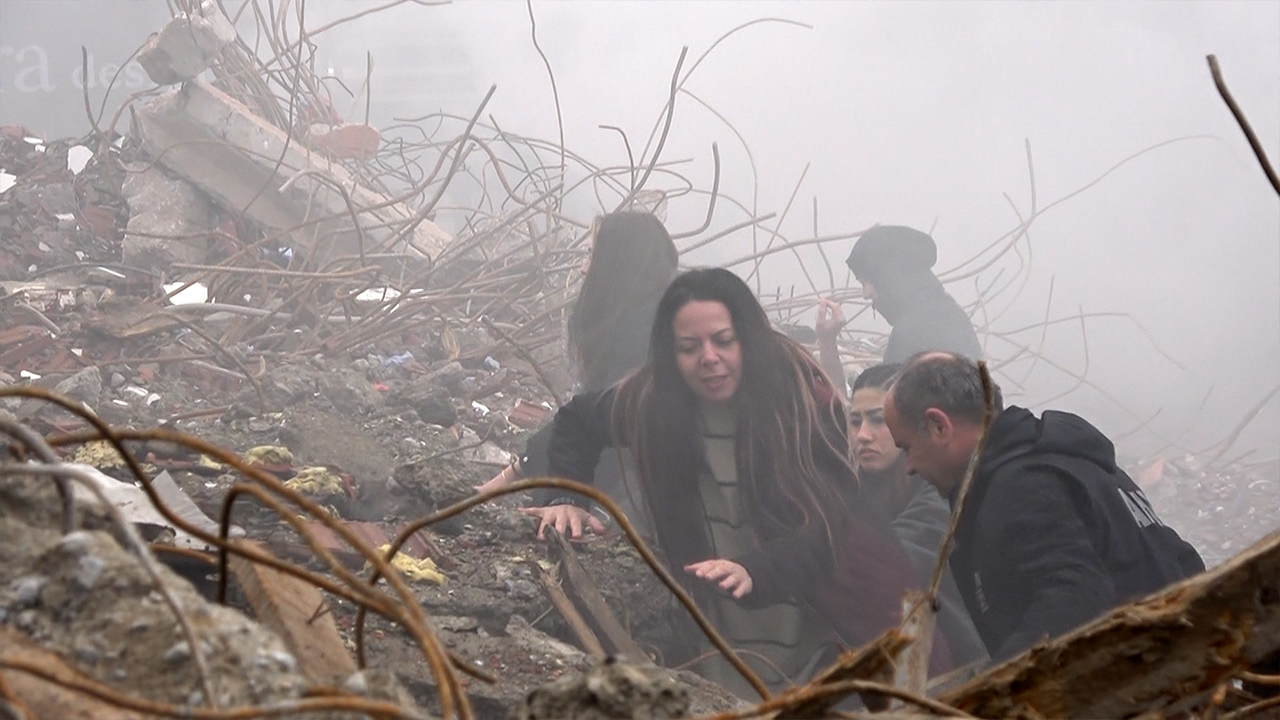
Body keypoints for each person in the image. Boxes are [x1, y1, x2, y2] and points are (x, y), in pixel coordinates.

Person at [529, 268, 934, 697]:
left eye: (723, 341)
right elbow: (577, 423)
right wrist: (567, 496)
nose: (709, 358)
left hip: (821, 633)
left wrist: (755, 571)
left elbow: (833, 527)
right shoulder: (653, 403)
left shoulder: (801, 406)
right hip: (712, 637)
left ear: (747, 338)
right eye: (689, 347)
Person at [882, 352, 1206, 662]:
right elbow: (1182, 559)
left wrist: (993, 696)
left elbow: (1072, 603)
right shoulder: (1076, 463)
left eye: (907, 447)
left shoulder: (1020, 489)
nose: (908, 467)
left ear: (939, 426)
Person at [478, 211, 678, 527]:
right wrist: (504, 481)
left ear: (616, 262)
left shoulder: (642, 334)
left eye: (590, 255)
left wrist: (596, 513)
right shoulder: (650, 318)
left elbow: (615, 437)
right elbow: (583, 416)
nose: (584, 267)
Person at [847, 363, 988, 668]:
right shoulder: (852, 488)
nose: (862, 435)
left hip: (954, 662)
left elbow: (903, 555)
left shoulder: (937, 486)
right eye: (854, 421)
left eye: (877, 420)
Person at [816, 225, 981, 394]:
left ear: (888, 277)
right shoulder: (951, 317)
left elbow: (879, 415)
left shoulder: (912, 332)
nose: (866, 294)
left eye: (866, 282)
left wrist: (827, 342)